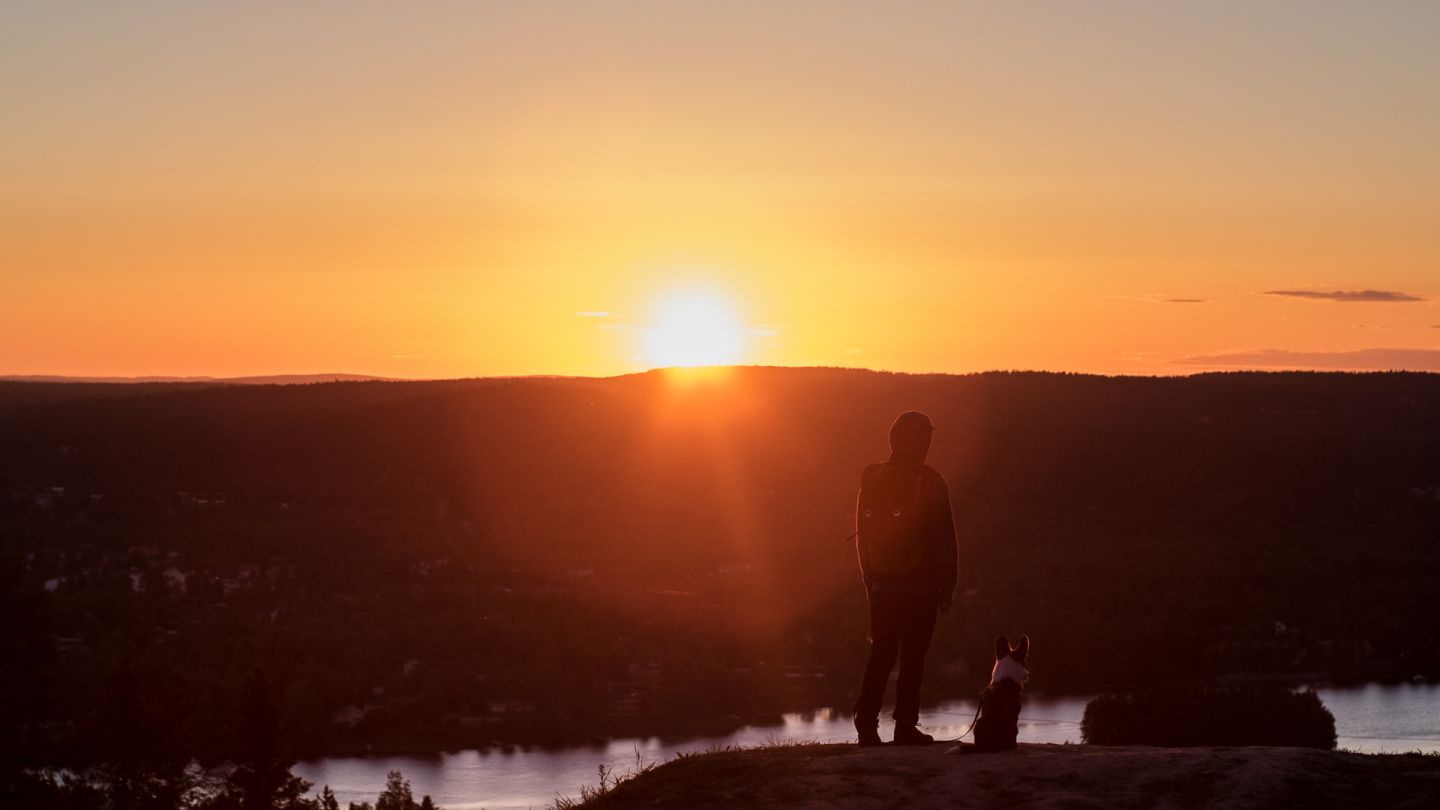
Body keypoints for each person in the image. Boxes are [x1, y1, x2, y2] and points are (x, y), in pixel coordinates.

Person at [852, 410, 958, 745]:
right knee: (914, 658)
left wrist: (870, 581)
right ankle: (904, 727)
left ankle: (866, 725)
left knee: (881, 654)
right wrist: (947, 586)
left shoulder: (871, 478)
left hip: (882, 586)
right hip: (922, 588)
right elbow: (944, 537)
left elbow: (863, 537)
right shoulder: (931, 481)